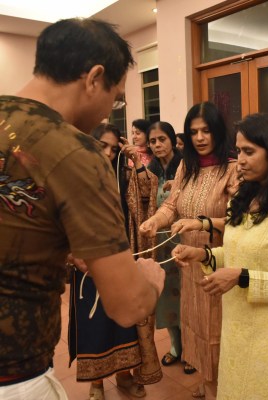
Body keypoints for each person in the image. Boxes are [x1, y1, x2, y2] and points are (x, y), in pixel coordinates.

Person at [0, 18, 164, 399]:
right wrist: (150, 281)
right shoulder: (75, 152)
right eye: (116, 98)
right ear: (94, 78)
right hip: (15, 375)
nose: (109, 111)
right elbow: (127, 305)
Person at [172, 113, 268, 400]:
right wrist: (201, 254)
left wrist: (243, 278)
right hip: (237, 324)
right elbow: (237, 252)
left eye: (249, 152)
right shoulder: (241, 201)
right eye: (238, 151)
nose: (240, 160)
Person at [140, 102, 238, 399]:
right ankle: (206, 378)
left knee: (217, 329)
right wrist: (154, 221)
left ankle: (221, 386)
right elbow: (171, 205)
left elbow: (239, 222)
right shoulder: (187, 167)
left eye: (206, 130)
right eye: (193, 132)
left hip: (218, 263)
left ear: (218, 132)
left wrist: (200, 223)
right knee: (195, 324)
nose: (199, 138)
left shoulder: (233, 170)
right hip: (188, 262)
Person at [68, 123, 161, 400]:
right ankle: (96, 382)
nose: (108, 153)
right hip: (88, 264)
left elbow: (147, 192)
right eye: (102, 146)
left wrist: (136, 161)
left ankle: (124, 375)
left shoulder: (126, 175)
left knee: (125, 323)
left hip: (122, 259)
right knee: (94, 323)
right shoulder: (76, 175)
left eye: (113, 147)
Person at [146, 121, 183, 368]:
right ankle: (175, 346)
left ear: (172, 140)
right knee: (167, 294)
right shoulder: (149, 172)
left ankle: (192, 348)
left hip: (185, 238)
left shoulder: (185, 167)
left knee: (187, 295)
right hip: (160, 243)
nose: (158, 145)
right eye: (153, 141)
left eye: (162, 139)